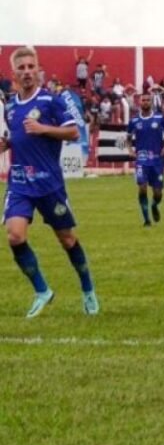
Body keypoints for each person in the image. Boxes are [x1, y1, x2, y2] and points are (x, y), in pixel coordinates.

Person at [0, 47, 99, 317]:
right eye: (22, 68)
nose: (27, 71)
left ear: (38, 69)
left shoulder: (51, 101)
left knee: (67, 239)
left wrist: (44, 129)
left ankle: (88, 289)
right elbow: (18, 136)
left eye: (31, 66)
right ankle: (42, 291)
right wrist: (6, 144)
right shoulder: (10, 107)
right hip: (20, 182)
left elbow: (73, 131)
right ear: (15, 73)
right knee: (15, 235)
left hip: (49, 184)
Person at [127, 92, 164, 227]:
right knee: (142, 188)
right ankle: (146, 220)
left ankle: (154, 205)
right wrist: (130, 150)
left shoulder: (159, 118)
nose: (145, 102)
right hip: (141, 160)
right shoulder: (134, 121)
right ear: (140, 102)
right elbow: (128, 139)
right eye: (143, 100)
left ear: (151, 102)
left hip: (157, 160)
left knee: (158, 193)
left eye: (147, 100)